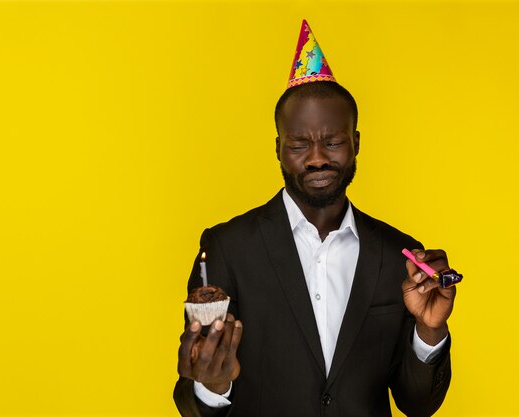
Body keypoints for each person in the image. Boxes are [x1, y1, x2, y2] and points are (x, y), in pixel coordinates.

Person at [174, 20, 457, 417]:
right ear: (278, 149)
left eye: (334, 141)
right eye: (299, 144)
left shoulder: (401, 257)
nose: (318, 157)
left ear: (356, 142)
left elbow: (418, 403)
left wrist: (429, 332)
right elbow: (189, 399)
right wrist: (213, 385)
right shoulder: (228, 248)